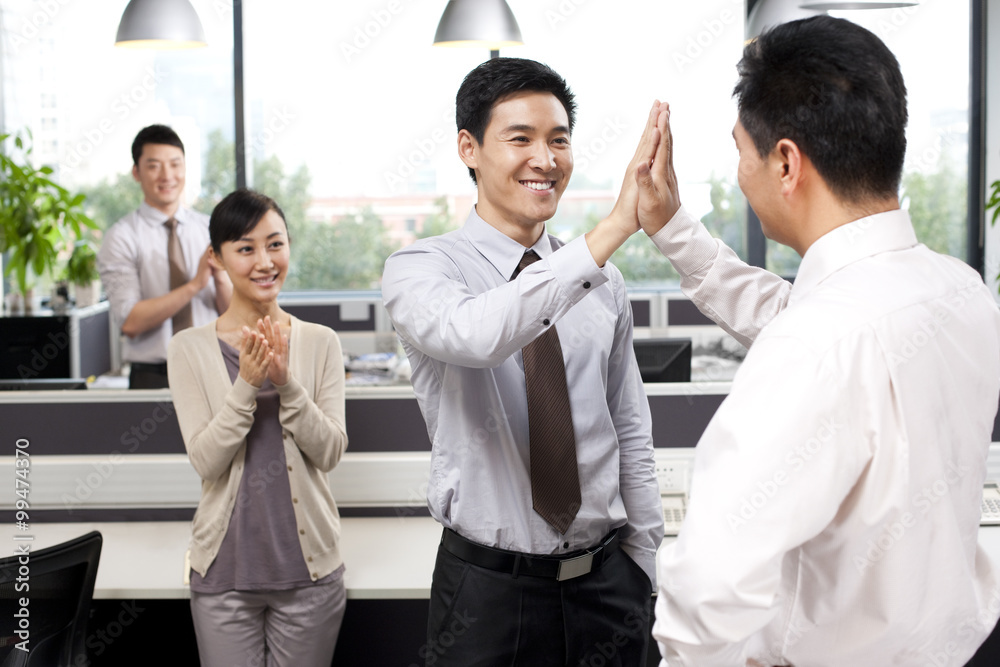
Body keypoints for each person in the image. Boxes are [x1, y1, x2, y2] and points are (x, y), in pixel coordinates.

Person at [632, 16, 1000, 666]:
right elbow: (813, 317)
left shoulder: (819, 340)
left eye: (742, 152)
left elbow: (709, 585)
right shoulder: (960, 292)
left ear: (786, 162)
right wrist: (673, 229)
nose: (740, 175)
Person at [382, 57, 664, 666]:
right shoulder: (423, 270)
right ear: (469, 148)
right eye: (521, 139)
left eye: (559, 139)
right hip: (487, 597)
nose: (546, 158)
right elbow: (478, 335)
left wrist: (644, 566)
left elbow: (629, 429)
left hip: (609, 584)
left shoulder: (603, 283)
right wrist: (613, 228)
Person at [167, 189, 349, 666]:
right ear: (217, 256)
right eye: (246, 248)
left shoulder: (320, 342)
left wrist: (287, 385)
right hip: (224, 576)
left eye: (275, 244)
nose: (265, 261)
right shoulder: (188, 349)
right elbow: (206, 460)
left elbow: (330, 451)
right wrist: (247, 385)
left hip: (309, 575)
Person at [98, 124, 232, 389]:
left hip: (214, 368)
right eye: (154, 165)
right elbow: (131, 321)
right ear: (136, 172)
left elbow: (232, 314)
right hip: (154, 376)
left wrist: (219, 280)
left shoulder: (211, 229)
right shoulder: (121, 237)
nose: (167, 175)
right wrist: (194, 285)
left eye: (175, 164)